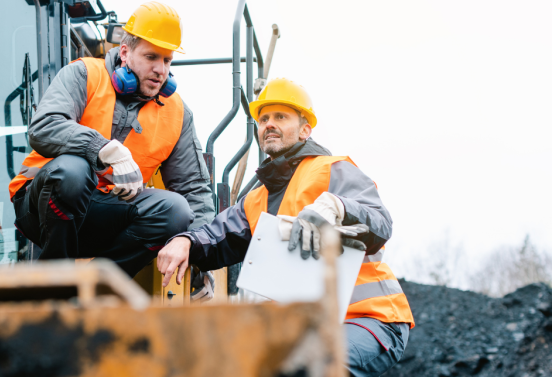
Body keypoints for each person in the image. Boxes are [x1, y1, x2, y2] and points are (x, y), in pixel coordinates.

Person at [156, 77, 414, 376]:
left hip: (369, 319)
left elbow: (380, 223)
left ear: (305, 129)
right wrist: (187, 241)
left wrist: (337, 207)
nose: (270, 124)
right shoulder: (255, 200)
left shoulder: (331, 169)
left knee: (310, 366)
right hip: (312, 327)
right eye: (264, 118)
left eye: (281, 116)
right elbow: (215, 238)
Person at [9, 1, 214, 277]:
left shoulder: (178, 113)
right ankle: (53, 284)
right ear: (126, 53)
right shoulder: (84, 74)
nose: (161, 70)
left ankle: (97, 285)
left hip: (108, 215)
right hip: (43, 207)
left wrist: (198, 253)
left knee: (176, 211)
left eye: (167, 60)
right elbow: (44, 127)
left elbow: (195, 190)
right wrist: (102, 148)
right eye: (151, 57)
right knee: (73, 171)